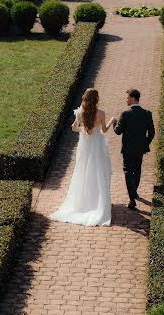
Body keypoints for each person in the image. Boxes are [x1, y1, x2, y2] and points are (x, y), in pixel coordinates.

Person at [49, 88, 115, 226]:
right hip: (97, 145)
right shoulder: (101, 113)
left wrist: (84, 130)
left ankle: (84, 201)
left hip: (85, 146)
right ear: (96, 99)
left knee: (83, 171)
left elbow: (74, 128)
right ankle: (100, 201)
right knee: (100, 171)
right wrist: (112, 120)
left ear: (85, 98)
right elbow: (104, 130)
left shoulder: (80, 113)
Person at [113, 88, 155, 210]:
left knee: (128, 172)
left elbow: (118, 131)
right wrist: (145, 143)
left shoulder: (125, 114)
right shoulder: (147, 113)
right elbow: (152, 132)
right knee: (137, 171)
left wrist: (114, 123)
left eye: (126, 98)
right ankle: (134, 192)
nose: (125, 100)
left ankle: (132, 198)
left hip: (127, 149)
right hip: (140, 149)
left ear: (132, 98)